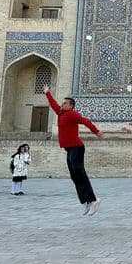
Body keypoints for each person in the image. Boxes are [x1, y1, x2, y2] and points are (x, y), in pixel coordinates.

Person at [43, 84, 104, 214]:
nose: (62, 105)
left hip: (77, 147)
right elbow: (53, 104)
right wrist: (47, 93)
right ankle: (86, 201)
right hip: (69, 149)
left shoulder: (72, 114)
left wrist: (96, 131)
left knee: (79, 172)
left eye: (65, 103)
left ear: (71, 106)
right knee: (74, 176)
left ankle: (94, 200)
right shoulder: (60, 113)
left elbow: (85, 121)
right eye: (62, 103)